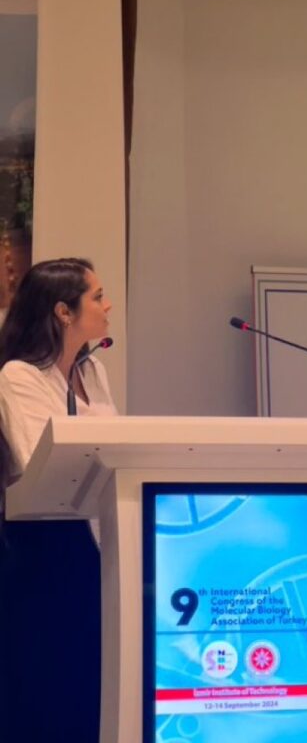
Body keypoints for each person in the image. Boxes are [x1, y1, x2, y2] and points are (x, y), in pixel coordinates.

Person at [0, 257, 116, 743]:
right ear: (63, 312)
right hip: (42, 552)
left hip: (96, 544)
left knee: (92, 688)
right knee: (46, 690)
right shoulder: (19, 376)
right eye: (97, 297)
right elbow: (39, 462)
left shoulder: (94, 370)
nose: (108, 306)